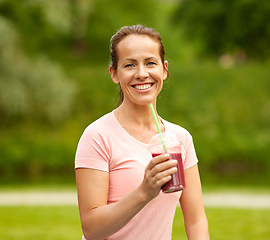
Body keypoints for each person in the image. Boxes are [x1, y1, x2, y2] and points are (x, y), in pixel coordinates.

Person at [75, 24, 210, 240]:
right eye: (129, 65)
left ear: (164, 69)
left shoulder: (180, 139)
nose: (141, 74)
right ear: (114, 73)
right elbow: (91, 229)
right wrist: (144, 192)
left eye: (150, 63)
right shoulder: (97, 136)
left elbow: (195, 220)